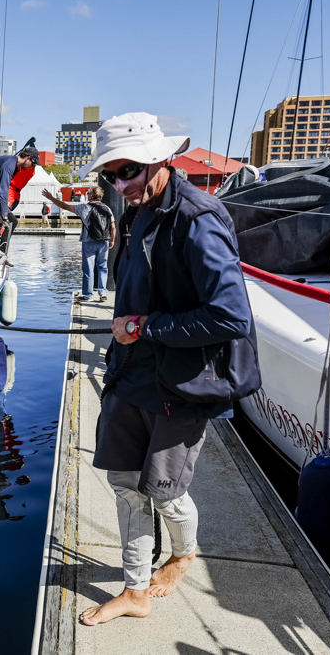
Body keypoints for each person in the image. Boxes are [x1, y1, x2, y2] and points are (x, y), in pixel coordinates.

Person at [75, 112, 260, 626]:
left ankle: (184, 553)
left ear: (160, 160)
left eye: (128, 170)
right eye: (110, 175)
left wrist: (147, 327)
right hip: (133, 372)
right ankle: (134, 589)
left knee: (166, 490)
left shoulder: (198, 219)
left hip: (182, 382)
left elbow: (231, 314)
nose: (119, 184)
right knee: (123, 482)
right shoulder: (136, 209)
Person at [43, 186, 116, 301]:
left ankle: (88, 295)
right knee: (103, 267)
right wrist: (112, 240)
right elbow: (113, 227)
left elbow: (64, 206)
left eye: (88, 193)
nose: (87, 195)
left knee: (88, 269)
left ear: (91, 196)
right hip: (104, 242)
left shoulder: (84, 207)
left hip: (88, 241)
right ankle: (103, 293)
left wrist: (51, 198)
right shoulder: (107, 208)